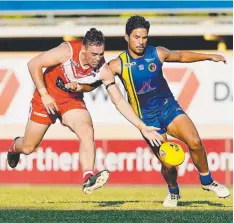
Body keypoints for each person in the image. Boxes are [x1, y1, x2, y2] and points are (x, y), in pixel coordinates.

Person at [66, 17, 230, 206]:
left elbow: (182, 56)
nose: (141, 42)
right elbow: (94, 85)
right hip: (147, 120)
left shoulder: (157, 53)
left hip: (169, 108)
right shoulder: (117, 64)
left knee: (194, 141)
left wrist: (209, 56)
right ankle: (173, 191)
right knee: (169, 164)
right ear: (127, 37)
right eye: (136, 37)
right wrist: (79, 87)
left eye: (144, 37)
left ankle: (207, 181)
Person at [7, 28, 163, 195]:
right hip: (45, 99)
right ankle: (14, 148)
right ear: (83, 49)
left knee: (87, 131)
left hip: (70, 101)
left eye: (101, 54)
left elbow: (118, 100)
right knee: (29, 147)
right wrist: (44, 94)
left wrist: (141, 126)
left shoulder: (103, 69)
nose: (98, 59)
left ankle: (88, 176)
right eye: (94, 54)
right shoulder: (67, 51)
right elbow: (33, 64)